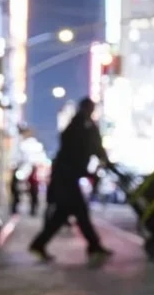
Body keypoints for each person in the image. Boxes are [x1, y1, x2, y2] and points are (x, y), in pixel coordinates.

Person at [29, 97, 113, 261]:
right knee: (79, 212)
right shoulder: (83, 126)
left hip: (66, 177)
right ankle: (94, 246)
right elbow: (93, 146)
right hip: (68, 178)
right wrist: (102, 162)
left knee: (63, 215)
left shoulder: (77, 125)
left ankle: (39, 244)